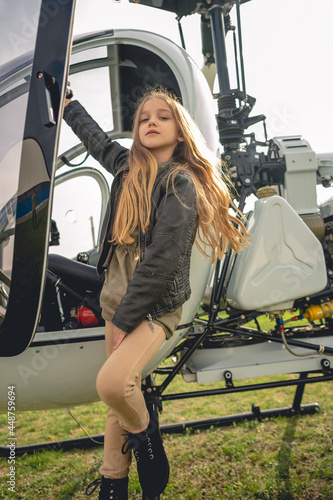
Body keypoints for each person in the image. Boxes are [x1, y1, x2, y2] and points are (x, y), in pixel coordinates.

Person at [63, 87, 249, 500]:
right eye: (144, 116)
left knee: (113, 385)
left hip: (154, 306)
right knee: (120, 393)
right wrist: (69, 105)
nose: (150, 121)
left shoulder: (180, 184)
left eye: (162, 116)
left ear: (180, 132)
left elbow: (161, 264)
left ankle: (146, 436)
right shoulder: (127, 168)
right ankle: (114, 484)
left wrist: (127, 321)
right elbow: (96, 140)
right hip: (116, 298)